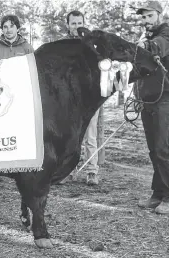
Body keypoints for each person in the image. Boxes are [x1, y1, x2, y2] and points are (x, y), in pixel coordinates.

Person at [134, 1, 169, 214]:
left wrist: (140, 46)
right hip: (148, 100)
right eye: (143, 17)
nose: (146, 21)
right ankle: (157, 193)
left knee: (161, 149)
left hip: (165, 100)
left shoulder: (166, 35)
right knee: (154, 150)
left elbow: (158, 47)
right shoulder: (146, 38)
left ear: (159, 15)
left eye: (150, 16)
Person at [0, 15, 34, 185]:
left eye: (11, 26)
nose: (8, 29)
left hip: (21, 97)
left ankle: (19, 169)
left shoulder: (27, 48)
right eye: (4, 27)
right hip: (1, 98)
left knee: (19, 132)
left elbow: (32, 73)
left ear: (17, 28)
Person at [58, 10, 101, 186]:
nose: (77, 26)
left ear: (84, 22)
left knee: (90, 135)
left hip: (89, 96)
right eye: (73, 23)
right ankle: (68, 170)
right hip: (69, 97)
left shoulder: (93, 43)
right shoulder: (61, 45)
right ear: (68, 25)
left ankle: (92, 171)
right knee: (70, 136)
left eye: (79, 22)